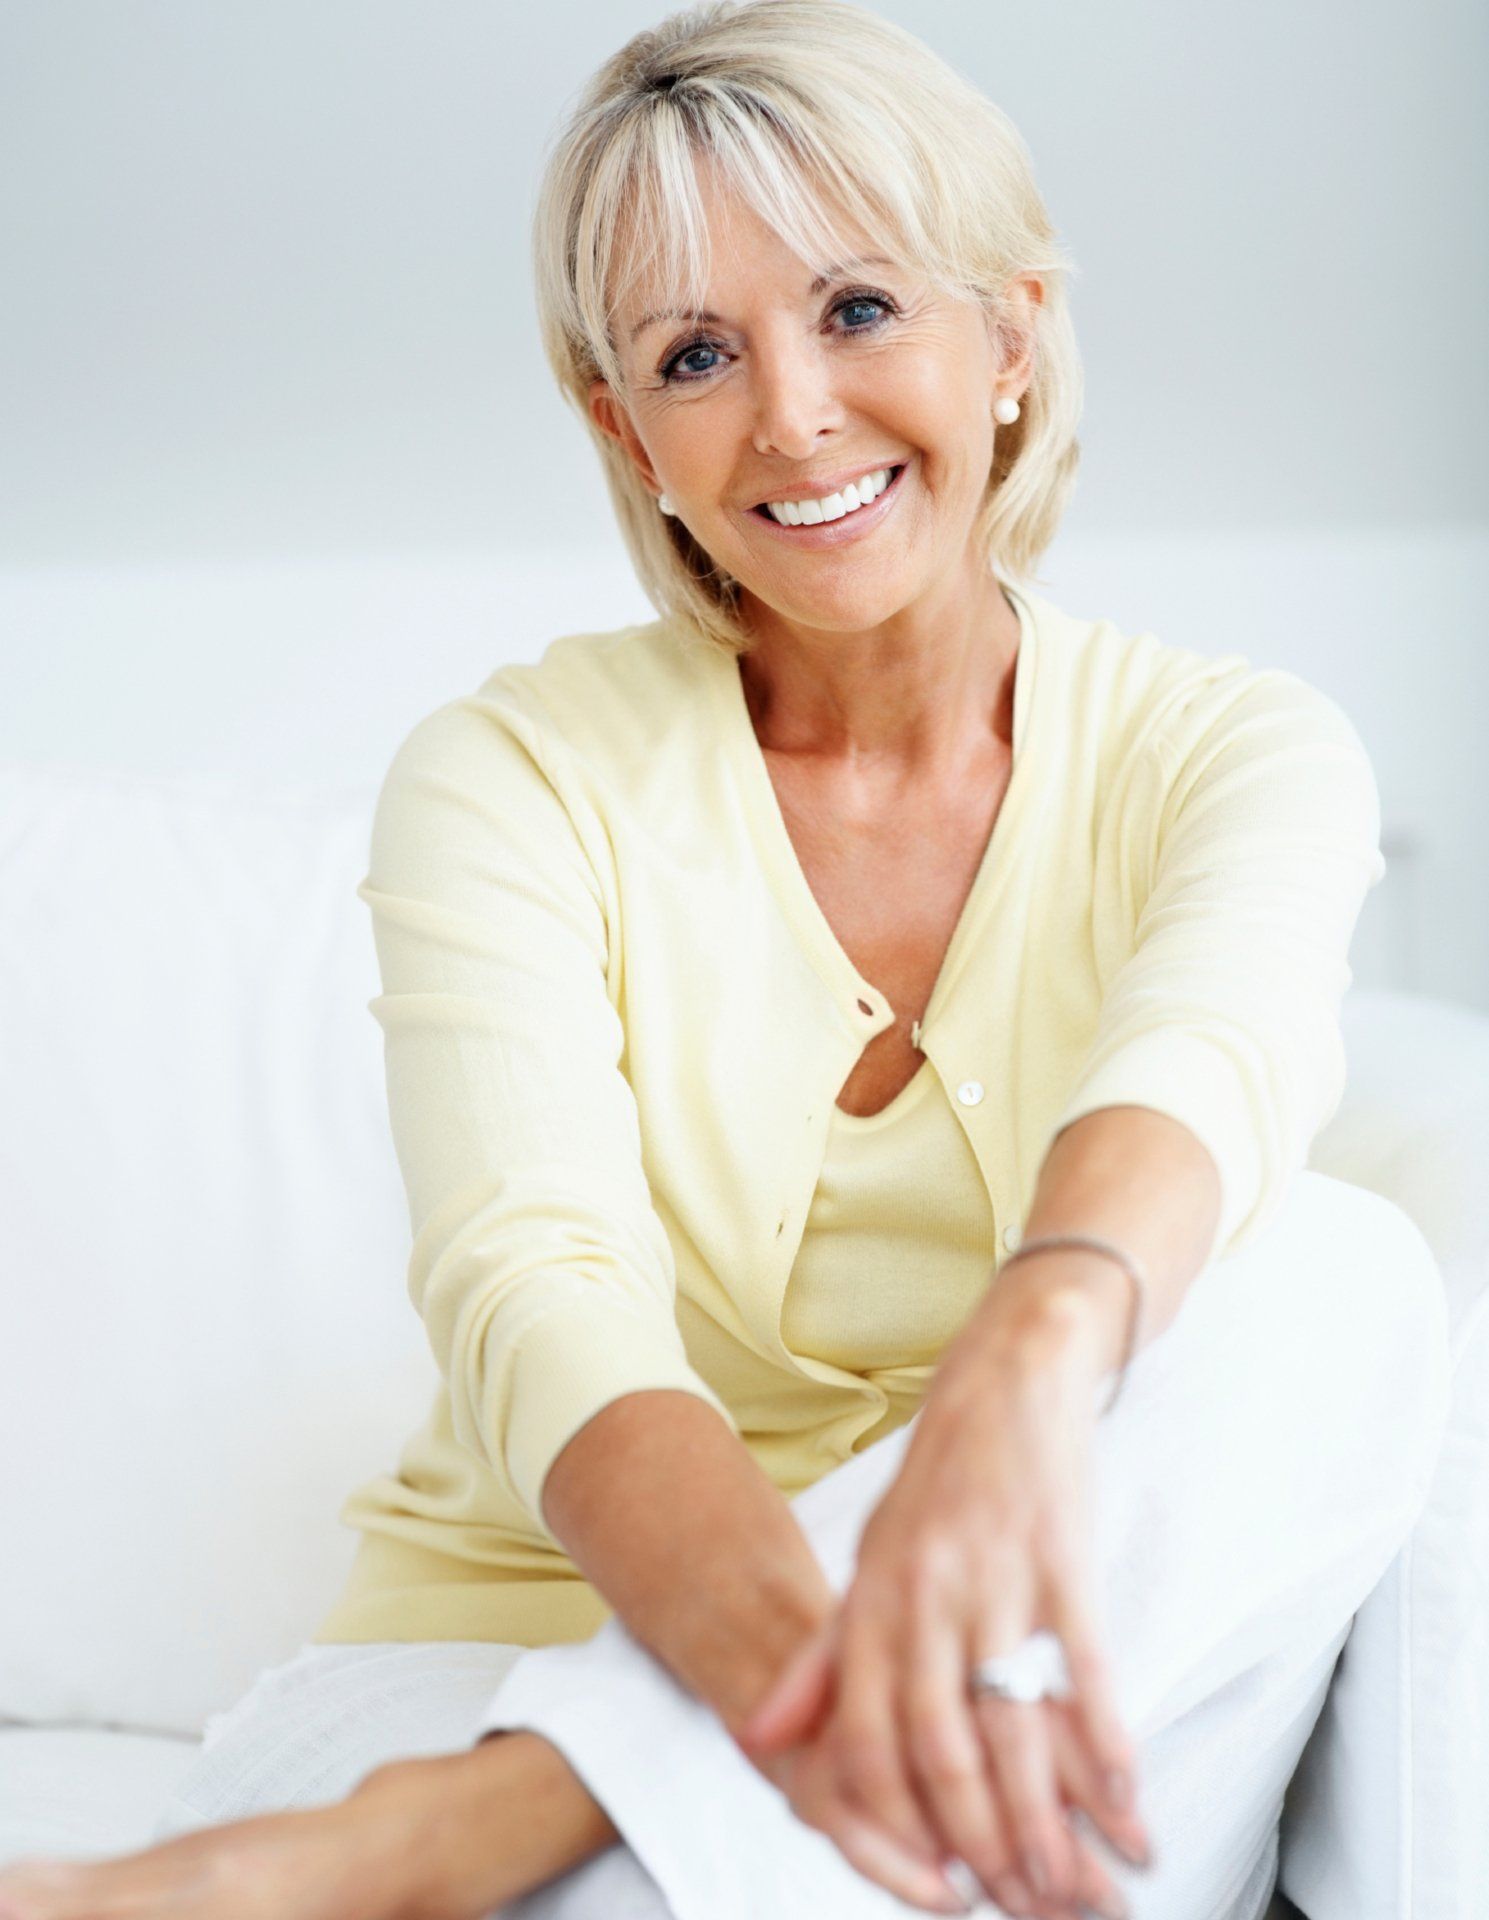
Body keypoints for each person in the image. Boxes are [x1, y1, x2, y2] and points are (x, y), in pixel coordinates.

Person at [0, 4, 1450, 1919]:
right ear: (627, 430)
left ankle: (440, 1846)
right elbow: (541, 1300)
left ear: (1010, 337)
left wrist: (1023, 1365)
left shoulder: (1239, 755)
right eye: (696, 354)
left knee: (1347, 1272)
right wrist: (820, 1701)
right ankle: (529, 1808)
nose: (791, 414)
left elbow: (1205, 1064)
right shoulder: (510, 775)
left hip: (1025, 1674)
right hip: (505, 1660)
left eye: (858, 309)